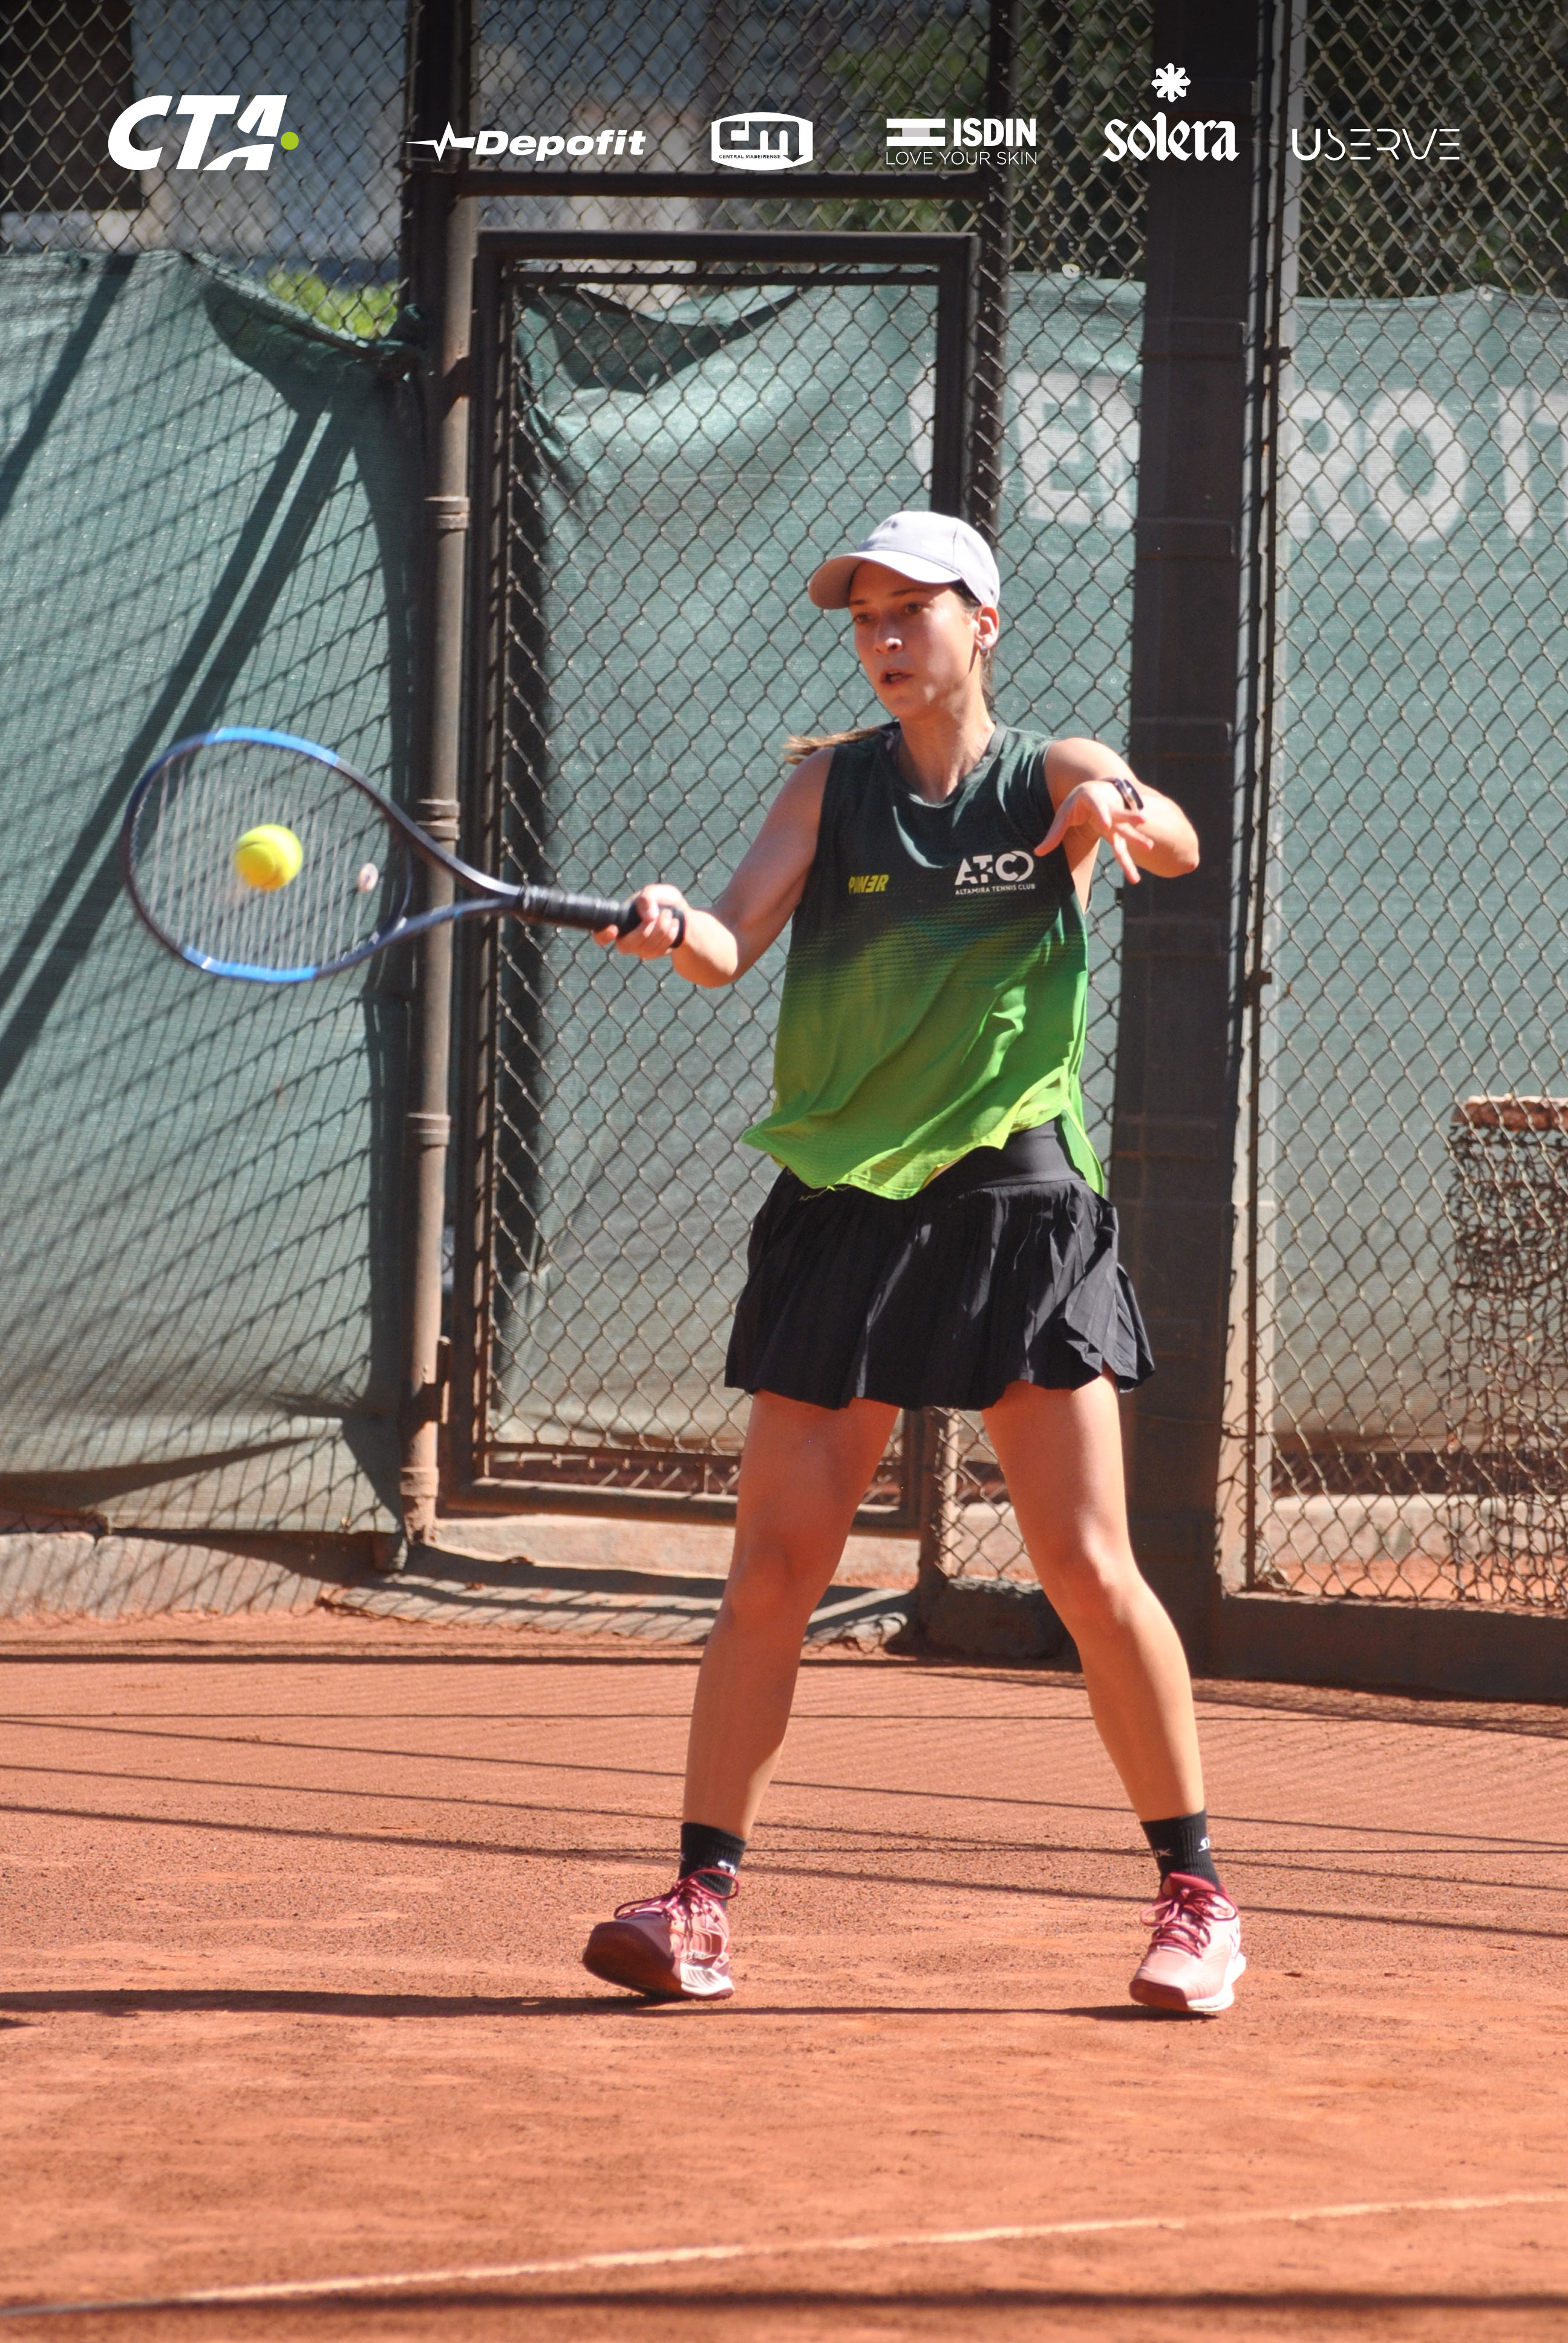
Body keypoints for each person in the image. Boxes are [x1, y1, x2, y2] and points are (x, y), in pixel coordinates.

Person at [580, 511, 1246, 2017]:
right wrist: (670, 922)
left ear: (983, 620)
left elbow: (1171, 832)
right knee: (773, 1573)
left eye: (909, 612)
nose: (882, 639)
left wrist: (1127, 816)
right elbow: (730, 941)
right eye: (862, 617)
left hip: (1014, 1205)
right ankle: (699, 1904)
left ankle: (1196, 1897)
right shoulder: (830, 786)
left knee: (1085, 1566)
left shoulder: (1050, 773)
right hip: (844, 1206)